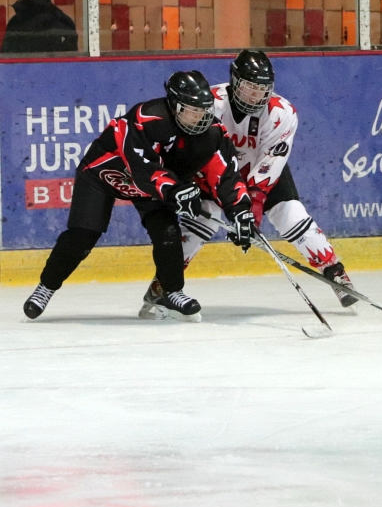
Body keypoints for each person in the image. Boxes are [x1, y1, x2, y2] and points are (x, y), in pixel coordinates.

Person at [22, 71, 253, 323]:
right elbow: (142, 169)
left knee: (168, 233)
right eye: (191, 110)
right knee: (82, 236)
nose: (199, 117)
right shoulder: (147, 119)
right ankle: (46, 287)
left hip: (155, 187)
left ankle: (172, 292)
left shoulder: (213, 134)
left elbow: (226, 176)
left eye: (204, 110)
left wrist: (240, 211)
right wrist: (176, 190)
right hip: (105, 174)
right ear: (174, 106)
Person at [140, 50, 358, 316]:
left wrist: (251, 208)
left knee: (291, 214)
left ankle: (335, 272)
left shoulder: (283, 113)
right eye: (249, 88)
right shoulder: (210, 103)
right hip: (214, 172)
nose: (255, 96)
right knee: (203, 221)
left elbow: (270, 163)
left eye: (262, 89)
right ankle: (164, 285)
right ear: (234, 81)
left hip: (260, 170)